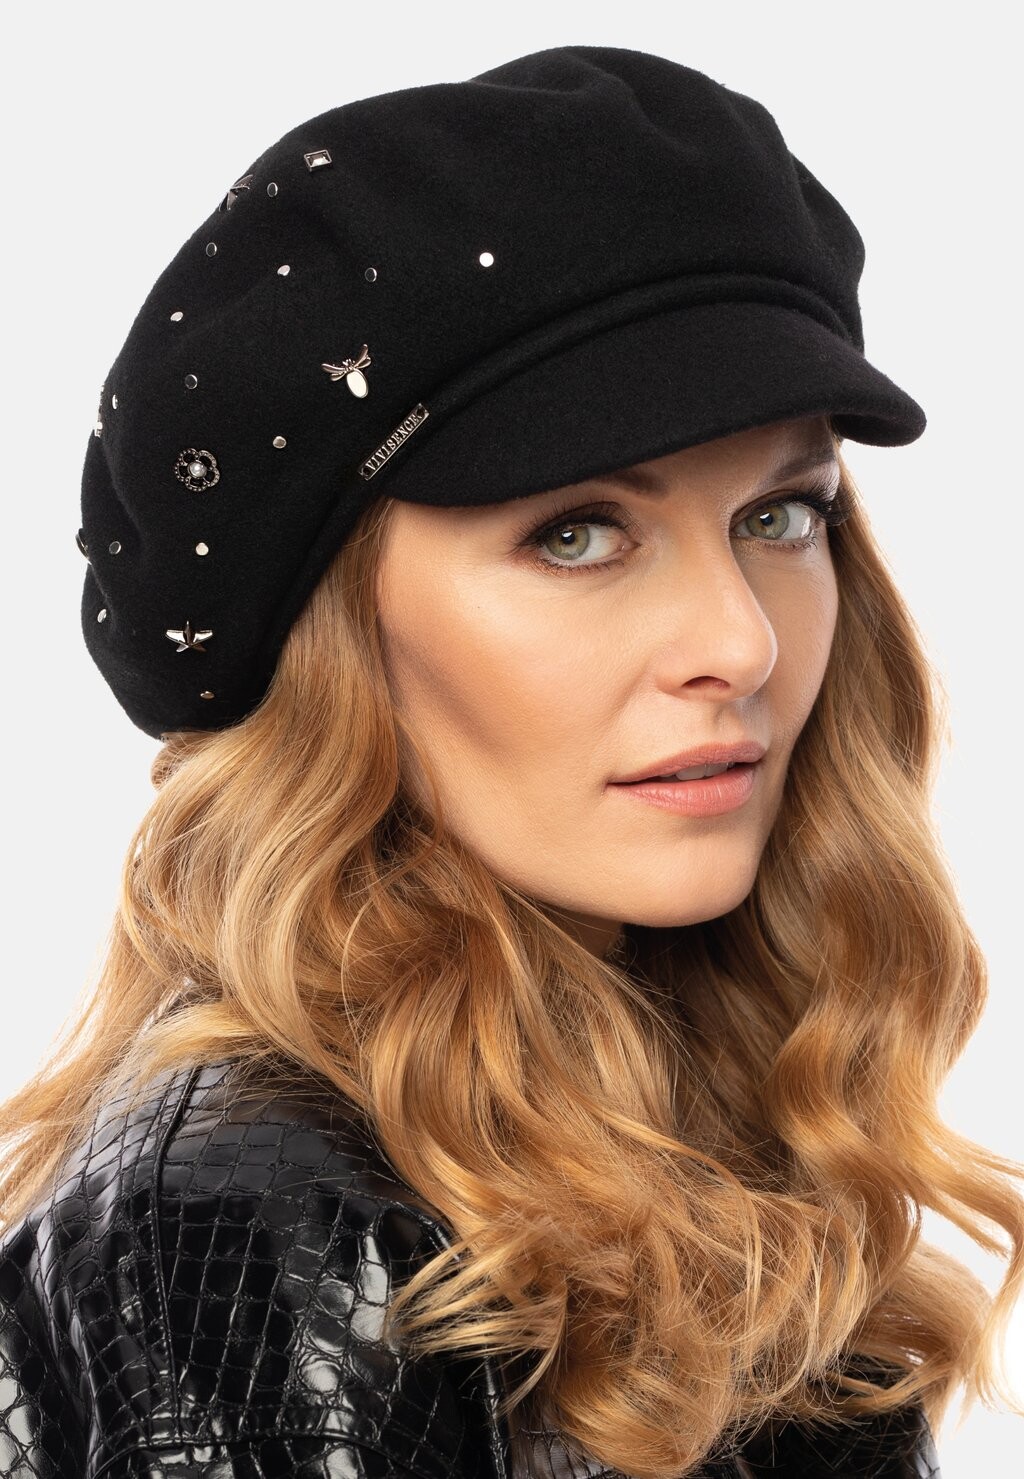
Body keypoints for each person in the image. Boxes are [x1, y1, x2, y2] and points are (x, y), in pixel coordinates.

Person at [0, 42, 1019, 1479]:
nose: (740, 642)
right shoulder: (261, 1224)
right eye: (576, 533)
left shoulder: (697, 1118)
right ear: (323, 629)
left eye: (781, 515)